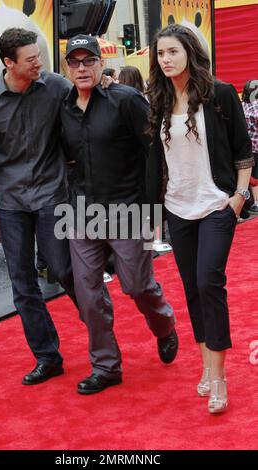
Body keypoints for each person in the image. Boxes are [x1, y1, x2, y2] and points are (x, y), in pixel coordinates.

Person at [60, 34, 178, 395]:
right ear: (67, 67)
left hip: (128, 209)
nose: (82, 68)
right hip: (80, 212)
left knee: (138, 286)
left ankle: (164, 326)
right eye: (75, 62)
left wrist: (153, 210)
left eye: (89, 60)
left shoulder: (126, 100)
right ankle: (106, 366)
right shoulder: (62, 106)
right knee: (88, 293)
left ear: (100, 63)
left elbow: (154, 154)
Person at [147, 24, 254, 413]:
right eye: (161, 54)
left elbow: (244, 150)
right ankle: (206, 368)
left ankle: (221, 377)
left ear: (190, 52)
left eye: (173, 52)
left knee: (210, 281)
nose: (167, 59)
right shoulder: (157, 100)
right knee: (192, 288)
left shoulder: (220, 94)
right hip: (178, 208)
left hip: (216, 205)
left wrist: (239, 196)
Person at [0, 28, 78, 386]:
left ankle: (100, 330)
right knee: (22, 283)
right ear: (9, 63)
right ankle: (47, 356)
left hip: (53, 195)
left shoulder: (57, 86)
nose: (38, 63)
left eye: (38, 56)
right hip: (12, 202)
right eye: (30, 59)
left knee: (63, 269)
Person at [242, 80, 258, 213]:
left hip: (247, 146)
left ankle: (253, 201)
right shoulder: (256, 105)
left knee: (251, 176)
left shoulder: (243, 105)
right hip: (256, 145)